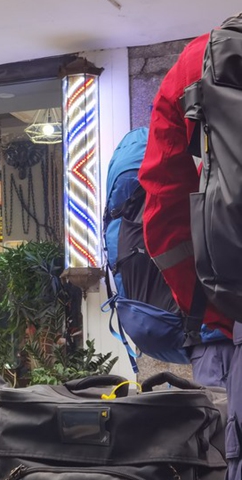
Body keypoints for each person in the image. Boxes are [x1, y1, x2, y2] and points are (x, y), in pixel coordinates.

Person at [136, 14, 240, 478]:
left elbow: (162, 197)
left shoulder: (200, 57)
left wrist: (204, 303)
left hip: (227, 321)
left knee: (218, 452)